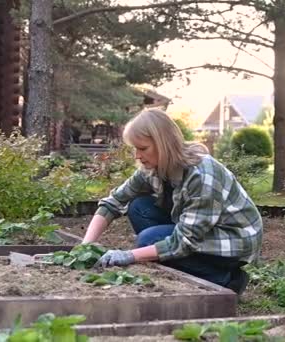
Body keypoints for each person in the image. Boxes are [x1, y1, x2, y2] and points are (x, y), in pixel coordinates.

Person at [82, 109, 262, 294]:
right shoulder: (152, 168)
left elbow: (183, 241)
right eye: (135, 148)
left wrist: (129, 255)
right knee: (139, 207)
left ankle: (226, 279)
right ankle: (185, 266)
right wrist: (85, 246)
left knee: (148, 240)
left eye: (143, 148)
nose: (137, 155)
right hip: (198, 231)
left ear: (163, 144)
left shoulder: (201, 175)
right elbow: (114, 202)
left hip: (231, 241)